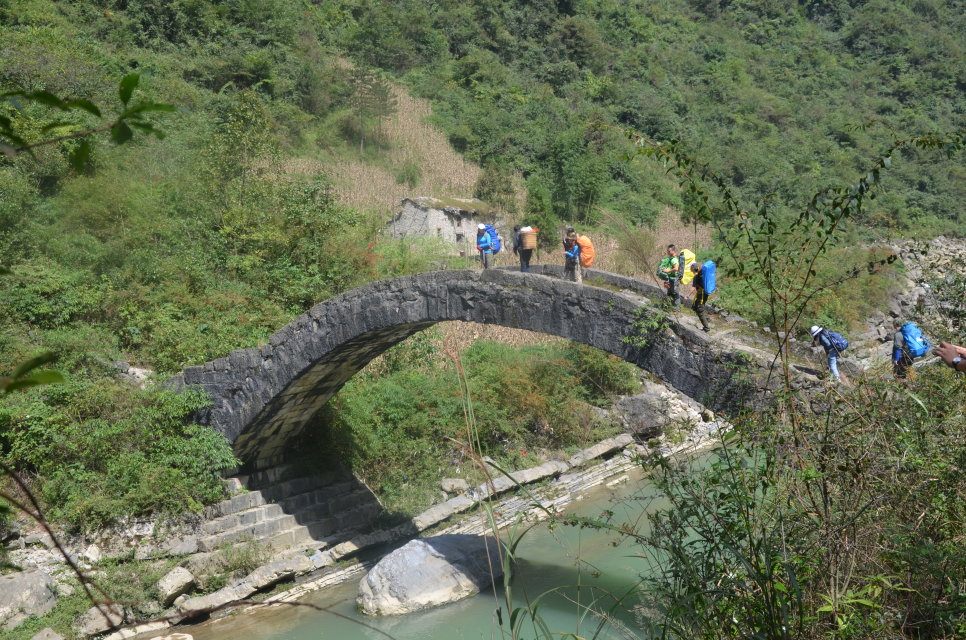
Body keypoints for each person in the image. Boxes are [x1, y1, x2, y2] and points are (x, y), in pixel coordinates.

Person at [689, 261, 713, 332]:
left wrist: (687, 295)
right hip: (704, 293)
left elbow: (693, 287)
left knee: (699, 310)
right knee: (695, 307)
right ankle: (706, 319)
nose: (692, 271)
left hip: (701, 294)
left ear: (694, 269)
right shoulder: (702, 273)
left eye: (692, 270)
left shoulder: (697, 276)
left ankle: (706, 328)